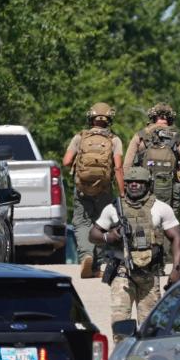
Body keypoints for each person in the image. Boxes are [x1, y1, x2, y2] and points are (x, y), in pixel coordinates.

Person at [89, 167, 180, 346]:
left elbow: (177, 236)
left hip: (149, 273)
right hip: (122, 272)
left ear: (148, 185)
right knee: (121, 324)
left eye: (138, 182)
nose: (134, 185)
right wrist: (109, 236)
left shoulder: (161, 208)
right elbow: (93, 234)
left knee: (151, 327)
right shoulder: (113, 208)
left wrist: (176, 270)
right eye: (130, 182)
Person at [63, 102, 126, 278]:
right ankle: (97, 266)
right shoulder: (114, 140)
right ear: (109, 119)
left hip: (82, 188)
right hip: (104, 190)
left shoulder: (80, 138)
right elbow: (119, 168)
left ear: (90, 118)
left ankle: (86, 257)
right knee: (103, 224)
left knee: (82, 223)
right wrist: (122, 193)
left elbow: (66, 161)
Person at [124, 102, 180, 211]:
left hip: (143, 192)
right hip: (168, 193)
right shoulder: (177, 138)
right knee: (167, 224)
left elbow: (127, 165)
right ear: (170, 119)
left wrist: (125, 188)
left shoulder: (140, 136)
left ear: (152, 117)